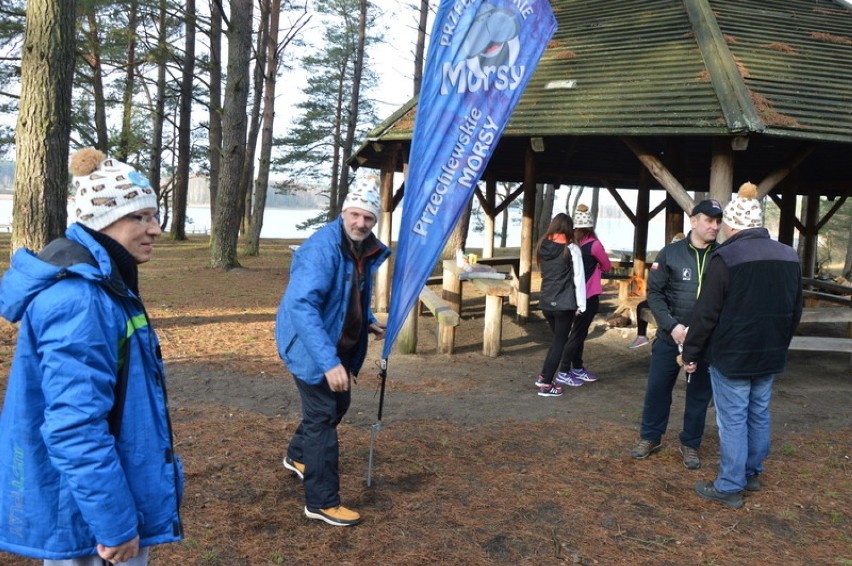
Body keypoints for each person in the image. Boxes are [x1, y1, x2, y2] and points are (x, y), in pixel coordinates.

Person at [0, 148, 184, 565]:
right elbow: (74, 427)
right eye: (139, 217)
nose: (155, 229)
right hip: (89, 520)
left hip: (99, 500)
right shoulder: (82, 300)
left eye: (154, 215)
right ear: (102, 219)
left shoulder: (106, 285)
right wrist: (115, 524)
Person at [275, 177, 390, 527]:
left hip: (335, 342)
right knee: (324, 415)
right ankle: (321, 501)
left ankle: (297, 456)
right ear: (343, 213)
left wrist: (367, 319)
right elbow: (302, 306)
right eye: (355, 215)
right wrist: (328, 363)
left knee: (338, 404)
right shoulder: (321, 250)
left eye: (368, 218)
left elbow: (350, 292)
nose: (361, 223)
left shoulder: (361, 247)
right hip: (310, 345)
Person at [683, 183, 802, 509]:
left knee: (733, 419)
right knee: (759, 413)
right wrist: (781, 344)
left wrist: (690, 353)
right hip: (769, 354)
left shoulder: (726, 258)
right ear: (759, 224)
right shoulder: (789, 255)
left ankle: (730, 485)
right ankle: (751, 473)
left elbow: (705, 314)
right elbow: (795, 311)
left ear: (734, 224)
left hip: (732, 356)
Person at [630, 199, 723, 469]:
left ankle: (690, 444)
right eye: (709, 220)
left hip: (705, 342)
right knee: (658, 389)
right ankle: (650, 437)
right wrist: (672, 326)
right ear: (693, 221)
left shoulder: (723, 256)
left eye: (718, 221)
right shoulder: (670, 253)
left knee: (699, 395)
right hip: (671, 338)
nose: (715, 226)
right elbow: (655, 294)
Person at [555, 203, 612, 386]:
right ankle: (564, 370)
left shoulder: (571, 244)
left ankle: (577, 368)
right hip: (588, 295)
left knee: (578, 332)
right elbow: (607, 266)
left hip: (571, 295)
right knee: (578, 334)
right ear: (591, 226)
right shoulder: (594, 245)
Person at [533, 213, 587, 397]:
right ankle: (547, 384)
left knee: (557, 340)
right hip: (564, 304)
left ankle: (543, 376)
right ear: (569, 228)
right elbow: (579, 279)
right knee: (559, 343)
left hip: (546, 302)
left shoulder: (543, 245)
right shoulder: (571, 248)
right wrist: (582, 305)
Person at [627, 233, 685, 349]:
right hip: (662, 297)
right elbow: (655, 285)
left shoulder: (684, 261)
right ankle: (642, 336)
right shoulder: (666, 257)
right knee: (641, 306)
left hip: (674, 301)